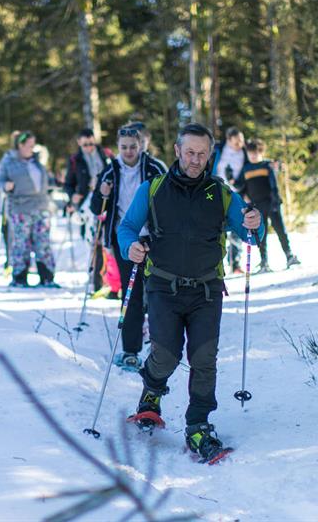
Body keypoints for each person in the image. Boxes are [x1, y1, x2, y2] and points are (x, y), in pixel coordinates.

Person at [118, 123, 264, 462]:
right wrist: (131, 248)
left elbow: (249, 232)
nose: (195, 160)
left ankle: (198, 424)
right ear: (177, 151)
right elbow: (126, 228)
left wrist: (256, 223)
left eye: (201, 154)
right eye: (189, 153)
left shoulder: (221, 191)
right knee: (166, 355)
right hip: (162, 286)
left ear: (209, 154)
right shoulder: (152, 189)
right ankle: (152, 391)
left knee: (204, 358)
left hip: (206, 289)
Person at [90, 124, 168, 371]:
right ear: (118, 147)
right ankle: (131, 350)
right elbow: (96, 207)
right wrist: (102, 194)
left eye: (133, 146)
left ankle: (162, 346)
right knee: (131, 293)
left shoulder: (154, 168)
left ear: (141, 145)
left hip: (153, 238)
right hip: (124, 238)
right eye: (124, 147)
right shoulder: (110, 171)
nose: (129, 151)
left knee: (156, 290)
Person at [0, 130, 59, 288]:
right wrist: (6, 186)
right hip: (20, 207)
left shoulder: (37, 161)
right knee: (21, 243)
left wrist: (55, 181)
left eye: (33, 145)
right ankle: (19, 277)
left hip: (41, 206)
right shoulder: (9, 161)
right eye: (29, 145)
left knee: (42, 242)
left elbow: (44, 181)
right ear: (20, 145)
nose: (32, 148)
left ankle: (47, 277)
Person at [239, 139, 300, 272]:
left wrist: (275, 200)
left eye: (256, 153)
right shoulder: (245, 169)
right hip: (256, 206)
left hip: (272, 203)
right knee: (261, 234)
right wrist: (243, 197)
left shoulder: (267, 166)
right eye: (251, 153)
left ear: (261, 153)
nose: (253, 156)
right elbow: (242, 187)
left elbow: (274, 185)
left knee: (280, 230)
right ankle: (264, 261)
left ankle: (289, 255)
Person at [65, 128, 112, 291]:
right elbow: (68, 184)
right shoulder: (75, 160)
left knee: (108, 242)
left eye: (91, 144)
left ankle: (110, 280)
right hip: (87, 205)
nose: (89, 148)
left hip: (107, 202)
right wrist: (73, 196)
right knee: (93, 242)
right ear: (79, 143)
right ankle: (96, 280)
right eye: (85, 145)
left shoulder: (105, 154)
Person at [212, 127, 249, 274]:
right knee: (216, 228)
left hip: (236, 194)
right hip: (215, 193)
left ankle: (235, 263)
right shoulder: (218, 149)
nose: (240, 143)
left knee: (236, 227)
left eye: (242, 140)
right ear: (228, 140)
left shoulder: (245, 153)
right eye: (236, 141)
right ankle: (215, 262)